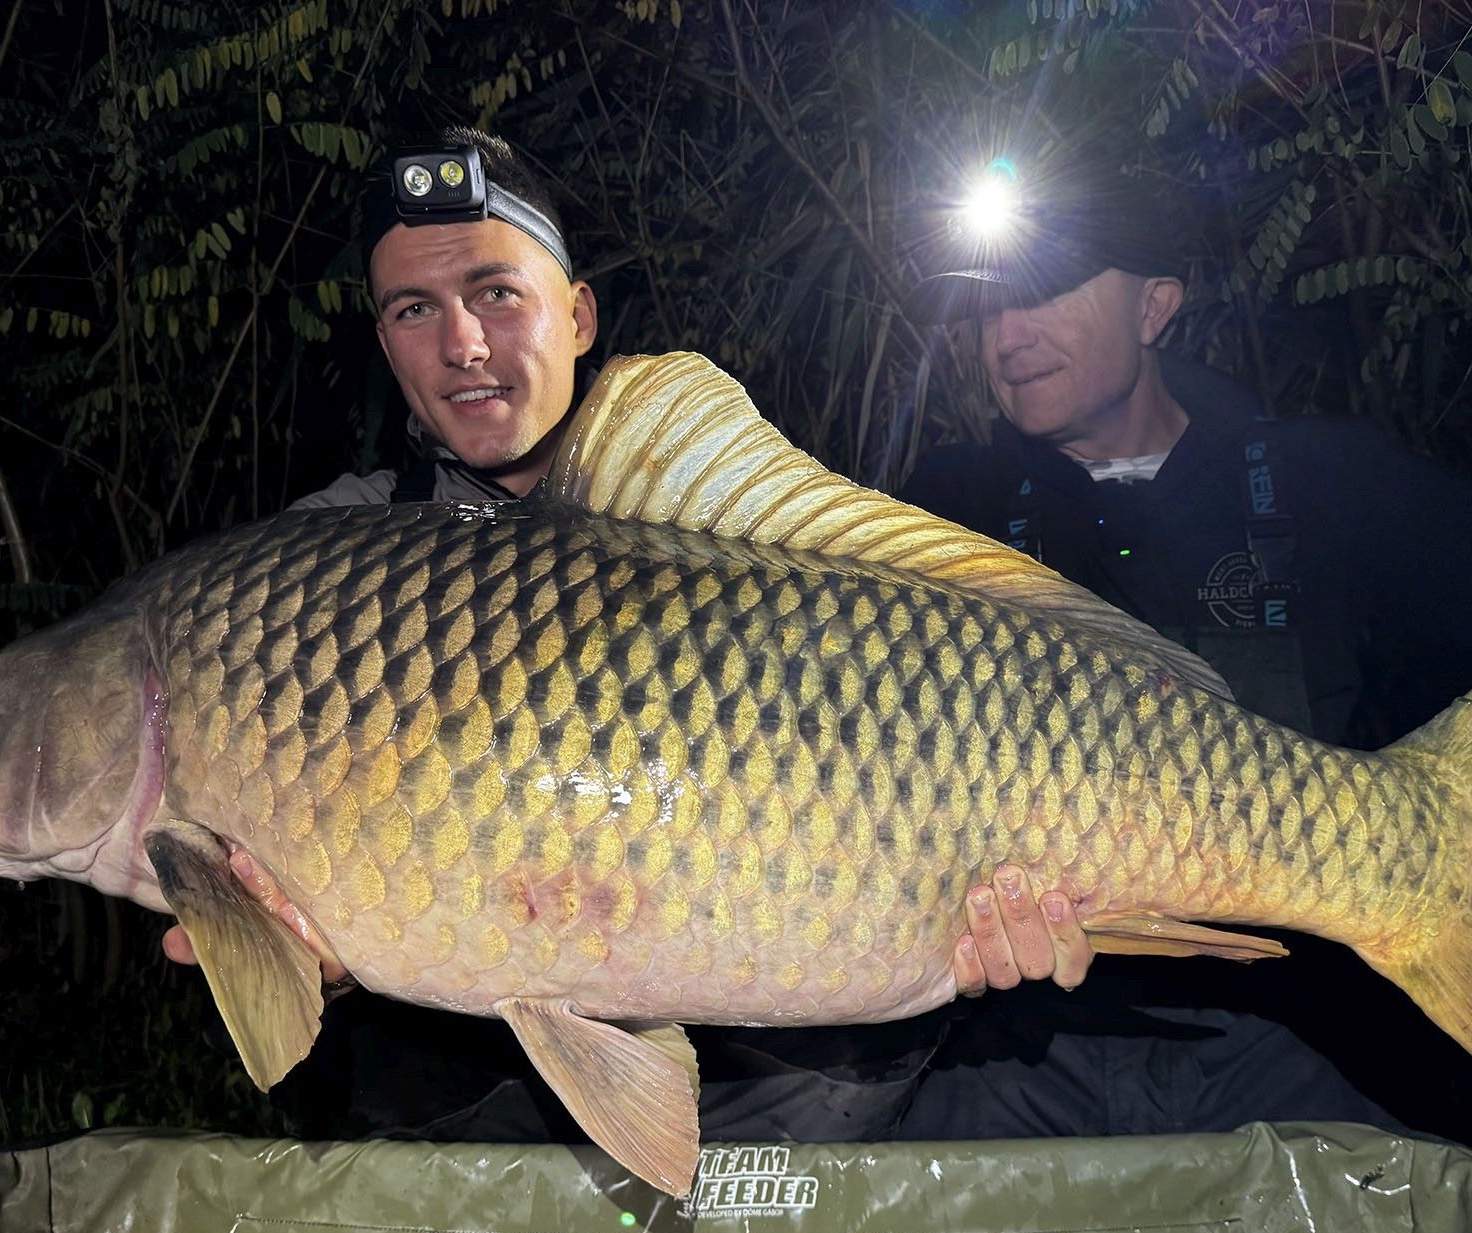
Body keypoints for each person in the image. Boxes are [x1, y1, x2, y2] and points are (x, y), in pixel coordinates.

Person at [163, 127, 1073, 1147]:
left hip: (784, 1085)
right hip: (464, 1106)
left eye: (497, 293)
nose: (462, 345)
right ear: (384, 345)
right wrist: (303, 938)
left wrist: (1001, 913)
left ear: (580, 313)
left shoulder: (712, 523)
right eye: (415, 311)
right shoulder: (315, 574)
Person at [890, 150, 1472, 1162]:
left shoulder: (1326, 478)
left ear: (1156, 305)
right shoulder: (936, 508)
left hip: (1301, 1021)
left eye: (1047, 292)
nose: (1008, 335)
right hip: (1031, 1040)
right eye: (987, 309)